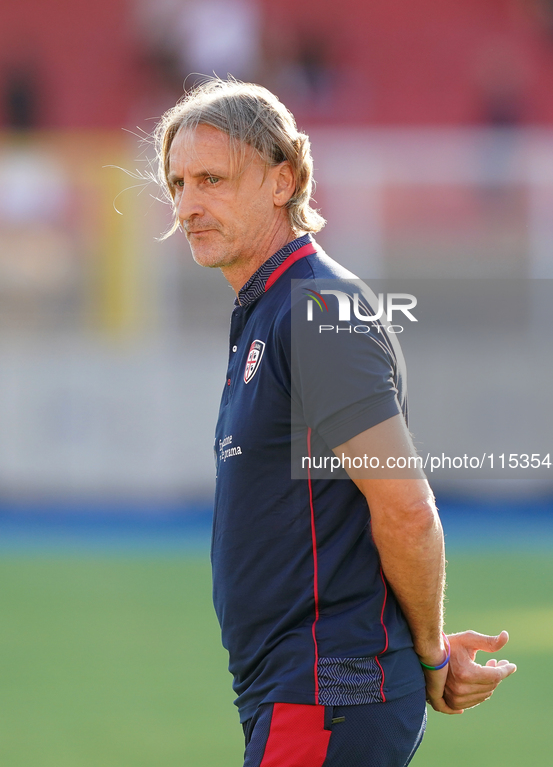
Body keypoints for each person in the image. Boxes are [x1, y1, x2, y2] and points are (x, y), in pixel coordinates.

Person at [153, 78, 516, 767]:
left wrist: (432, 650)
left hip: (327, 692)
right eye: (177, 183)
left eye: (211, 179)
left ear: (282, 179)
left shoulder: (315, 310)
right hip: (301, 693)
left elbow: (406, 506)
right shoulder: (272, 308)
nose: (187, 204)